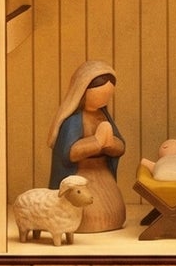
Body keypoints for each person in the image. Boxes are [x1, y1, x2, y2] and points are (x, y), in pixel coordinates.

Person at [47, 59, 127, 233]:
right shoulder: (73, 120)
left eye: (108, 96)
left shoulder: (103, 116)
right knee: (87, 213)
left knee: (112, 212)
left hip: (102, 174)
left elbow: (121, 146)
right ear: (82, 92)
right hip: (81, 175)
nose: (105, 99)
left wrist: (111, 144)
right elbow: (69, 152)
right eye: (101, 95)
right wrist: (96, 143)